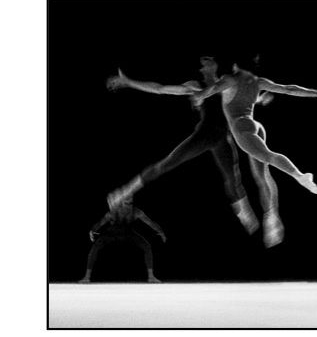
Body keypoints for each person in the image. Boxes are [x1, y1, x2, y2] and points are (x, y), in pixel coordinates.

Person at [105, 56, 283, 247]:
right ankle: (125, 190)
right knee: (167, 163)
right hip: (205, 134)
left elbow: (244, 99)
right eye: (205, 60)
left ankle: (246, 212)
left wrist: (261, 99)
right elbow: (160, 88)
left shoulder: (228, 82)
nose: (208, 60)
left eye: (210, 59)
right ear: (202, 68)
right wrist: (129, 82)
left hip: (223, 138)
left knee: (233, 179)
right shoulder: (196, 85)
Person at [191, 61, 317, 195]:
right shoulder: (259, 82)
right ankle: (274, 197)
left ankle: (300, 176)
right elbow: (289, 89)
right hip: (254, 125)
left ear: (236, 65)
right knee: (263, 166)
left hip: (241, 126)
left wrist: (199, 97)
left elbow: (214, 88)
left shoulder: (230, 79)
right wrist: (316, 93)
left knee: (268, 156)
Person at [79, 198, 166, 283]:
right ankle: (87, 277)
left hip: (128, 233)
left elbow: (150, 223)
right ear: (121, 204)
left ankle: (151, 277)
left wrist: (160, 231)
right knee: (95, 247)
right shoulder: (113, 213)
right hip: (112, 234)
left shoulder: (136, 212)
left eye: (131, 203)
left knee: (147, 246)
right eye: (126, 203)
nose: (129, 206)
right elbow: (100, 223)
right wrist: (92, 230)